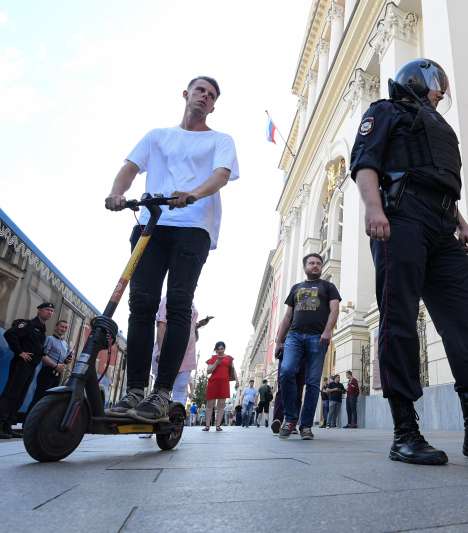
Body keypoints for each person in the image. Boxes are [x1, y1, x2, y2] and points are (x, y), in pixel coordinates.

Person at [350, 58, 468, 465]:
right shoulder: (385, 110)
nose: (441, 92)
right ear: (416, 80)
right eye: (437, 84)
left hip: (442, 224)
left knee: (467, 318)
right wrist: (373, 208)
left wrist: (463, 224)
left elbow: (440, 182)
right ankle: (405, 432)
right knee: (398, 317)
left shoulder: (438, 126)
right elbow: (365, 163)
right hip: (400, 217)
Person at [105, 76, 240, 424]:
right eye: (200, 91)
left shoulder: (220, 139)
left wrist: (193, 193)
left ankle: (163, 392)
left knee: (179, 304)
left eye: (211, 96)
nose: (204, 98)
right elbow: (130, 168)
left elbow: (222, 175)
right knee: (142, 304)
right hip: (151, 223)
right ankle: (135, 388)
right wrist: (117, 194)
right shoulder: (157, 136)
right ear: (186, 94)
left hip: (193, 227)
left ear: (213, 106)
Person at [273, 253, 341, 440]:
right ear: (305, 267)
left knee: (312, 382)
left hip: (317, 338)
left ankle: (306, 426)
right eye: (311, 263)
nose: (315, 266)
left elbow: (334, 310)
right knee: (286, 372)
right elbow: (288, 316)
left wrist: (328, 330)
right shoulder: (296, 288)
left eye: (318, 263)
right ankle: (290, 418)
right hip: (294, 337)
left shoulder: (328, 287)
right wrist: (279, 340)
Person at [0, 303, 54, 439]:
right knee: (11, 393)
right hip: (21, 364)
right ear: (39, 310)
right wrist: (20, 352)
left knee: (20, 396)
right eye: (47, 310)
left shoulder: (42, 328)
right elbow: (10, 334)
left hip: (31, 366)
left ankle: (7, 426)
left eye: (52, 311)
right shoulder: (30, 324)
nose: (49, 313)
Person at [26, 319, 72, 419]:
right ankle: (27, 423)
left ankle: (39, 422)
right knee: (39, 399)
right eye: (61, 326)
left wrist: (67, 360)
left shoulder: (65, 344)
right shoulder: (49, 339)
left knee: (51, 401)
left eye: (65, 328)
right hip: (47, 373)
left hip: (57, 374)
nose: (63, 329)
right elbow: (43, 356)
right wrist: (55, 365)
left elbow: (63, 360)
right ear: (56, 327)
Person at [203, 342, 238, 432]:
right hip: (213, 383)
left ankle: (218, 426)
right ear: (216, 350)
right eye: (218, 349)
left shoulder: (229, 358)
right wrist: (216, 364)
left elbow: (233, 371)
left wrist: (237, 381)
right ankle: (207, 426)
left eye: (221, 349)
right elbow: (208, 371)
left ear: (224, 348)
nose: (220, 351)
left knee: (221, 405)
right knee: (210, 405)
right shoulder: (213, 358)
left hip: (224, 383)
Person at [270, 354, 305, 434]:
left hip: (301, 355)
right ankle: (278, 420)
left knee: (296, 391)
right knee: (284, 388)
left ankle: (290, 422)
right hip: (286, 354)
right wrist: (279, 342)